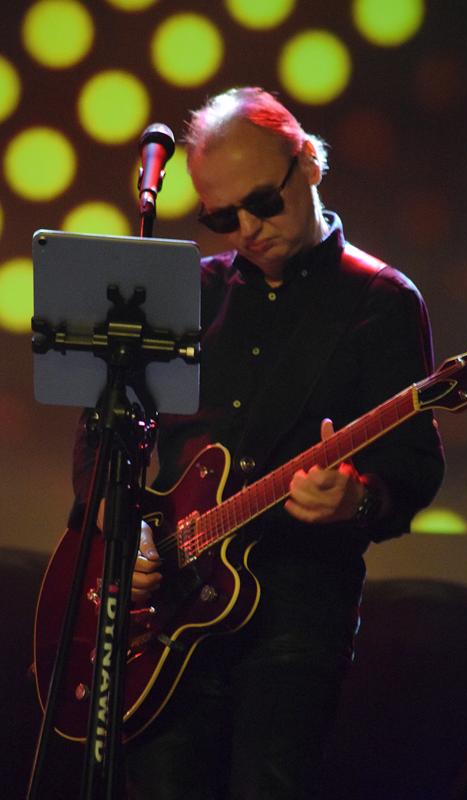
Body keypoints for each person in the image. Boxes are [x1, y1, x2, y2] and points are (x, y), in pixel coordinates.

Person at [72, 87, 445, 799]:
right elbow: (101, 433)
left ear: (308, 165)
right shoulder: (187, 293)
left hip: (293, 618)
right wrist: (126, 533)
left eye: (262, 204)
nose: (246, 229)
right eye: (221, 217)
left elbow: (414, 467)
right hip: (166, 615)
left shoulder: (381, 301)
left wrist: (357, 502)